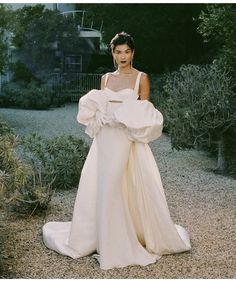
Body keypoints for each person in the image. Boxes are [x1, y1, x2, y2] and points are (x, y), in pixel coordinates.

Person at [42, 31, 191, 270]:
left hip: (127, 140)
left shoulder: (141, 78)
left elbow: (146, 115)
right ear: (112, 53)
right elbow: (100, 106)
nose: (123, 56)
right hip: (104, 141)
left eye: (127, 52)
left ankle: (120, 243)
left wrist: (124, 119)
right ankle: (104, 237)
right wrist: (100, 116)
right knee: (102, 187)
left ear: (133, 53)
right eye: (118, 52)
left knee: (121, 186)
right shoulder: (106, 79)